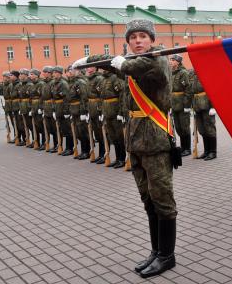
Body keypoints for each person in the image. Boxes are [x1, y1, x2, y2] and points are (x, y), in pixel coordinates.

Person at [77, 18, 177, 278]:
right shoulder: (130, 62)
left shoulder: (158, 61)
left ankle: (167, 255)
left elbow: (134, 67)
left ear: (152, 40)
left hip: (155, 140)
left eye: (143, 36)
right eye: (133, 37)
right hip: (136, 140)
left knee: (162, 199)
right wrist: (88, 62)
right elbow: (115, 63)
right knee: (148, 200)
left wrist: (120, 62)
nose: (138, 41)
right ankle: (156, 251)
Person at [188, 70, 217, 160]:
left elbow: (213, 89)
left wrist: (213, 106)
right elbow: (190, 91)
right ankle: (206, 151)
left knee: (209, 128)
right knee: (202, 129)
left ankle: (213, 151)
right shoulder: (192, 74)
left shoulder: (206, 71)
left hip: (207, 106)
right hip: (197, 106)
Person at [169, 54, 192, 156]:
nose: (171, 61)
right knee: (178, 127)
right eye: (170, 60)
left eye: (173, 60)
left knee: (184, 127)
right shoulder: (171, 73)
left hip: (182, 105)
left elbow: (188, 89)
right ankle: (183, 148)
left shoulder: (183, 73)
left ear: (178, 62)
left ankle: (187, 148)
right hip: (174, 105)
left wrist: (187, 105)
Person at [69, 68, 90, 160]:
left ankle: (87, 151)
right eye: (70, 70)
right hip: (74, 110)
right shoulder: (72, 82)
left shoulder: (80, 82)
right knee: (77, 132)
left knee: (83, 132)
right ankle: (83, 151)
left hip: (79, 110)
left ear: (78, 71)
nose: (70, 72)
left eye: (73, 70)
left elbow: (84, 98)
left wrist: (83, 112)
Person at [86, 66, 106, 164]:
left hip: (97, 108)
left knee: (102, 134)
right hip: (91, 108)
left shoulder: (98, 79)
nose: (87, 69)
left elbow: (101, 96)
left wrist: (100, 111)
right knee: (97, 134)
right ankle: (100, 154)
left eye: (90, 67)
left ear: (95, 68)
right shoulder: (89, 79)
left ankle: (104, 154)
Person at [52, 66, 73, 156]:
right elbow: (53, 97)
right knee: (62, 129)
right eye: (53, 72)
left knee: (67, 129)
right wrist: (54, 109)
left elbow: (66, 98)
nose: (54, 74)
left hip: (63, 108)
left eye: (55, 72)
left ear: (60, 73)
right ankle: (65, 147)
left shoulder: (63, 83)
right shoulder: (55, 83)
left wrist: (66, 111)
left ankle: (70, 148)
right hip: (57, 107)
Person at [41, 66, 58, 153]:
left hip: (51, 106)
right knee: (49, 128)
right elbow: (42, 97)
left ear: (49, 73)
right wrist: (42, 108)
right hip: (46, 107)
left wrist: (54, 109)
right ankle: (53, 144)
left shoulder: (52, 83)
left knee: (55, 128)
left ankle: (57, 145)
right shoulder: (44, 83)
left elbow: (54, 97)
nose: (43, 74)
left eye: (44, 72)